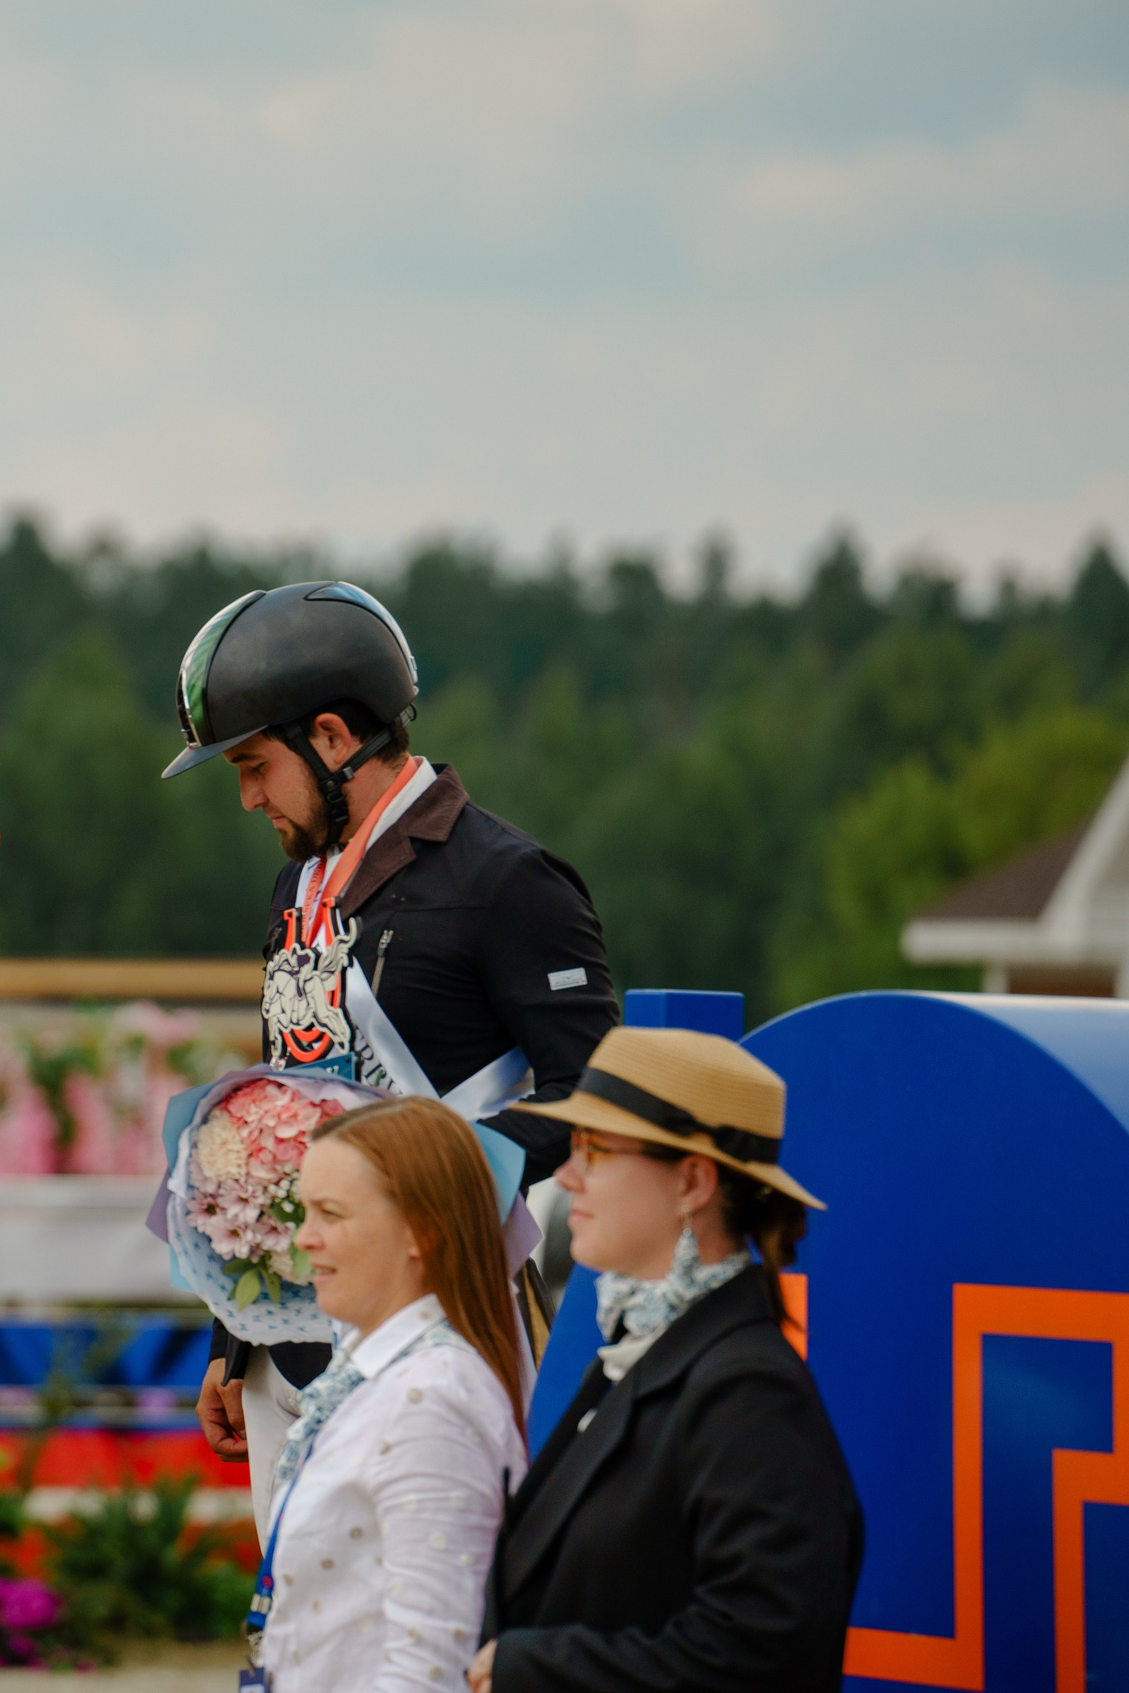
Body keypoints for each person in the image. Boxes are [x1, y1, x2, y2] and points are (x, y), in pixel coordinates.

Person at [163, 583, 616, 1540]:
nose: (246, 796)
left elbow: (598, 1098)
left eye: (254, 764)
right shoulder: (298, 882)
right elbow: (276, 1110)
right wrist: (233, 1333)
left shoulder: (508, 881)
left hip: (437, 1323)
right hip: (288, 1347)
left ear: (332, 738)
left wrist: (416, 1170)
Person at [468, 1027, 861, 1692]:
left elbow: (765, 1655)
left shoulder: (748, 1389)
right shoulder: (644, 1351)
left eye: (592, 1147)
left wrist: (530, 1670)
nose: (565, 1173)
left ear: (691, 1181)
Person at [249, 1096, 529, 1688]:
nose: (305, 1240)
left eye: (331, 1214)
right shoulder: (379, 1376)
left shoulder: (430, 1400)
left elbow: (430, 1664)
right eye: (306, 1213)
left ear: (419, 1231)